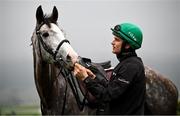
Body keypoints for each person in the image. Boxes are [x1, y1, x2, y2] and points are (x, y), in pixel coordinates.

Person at [73, 23, 146, 115]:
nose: (112, 42)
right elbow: (112, 88)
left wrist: (85, 79)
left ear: (127, 45)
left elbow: (107, 96)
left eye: (117, 40)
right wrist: (94, 77)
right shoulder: (127, 63)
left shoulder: (131, 66)